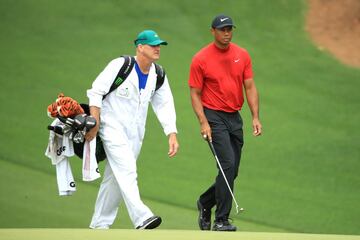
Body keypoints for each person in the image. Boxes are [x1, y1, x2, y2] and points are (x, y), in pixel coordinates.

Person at [85, 29, 179, 230]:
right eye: (153, 45)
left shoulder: (158, 74)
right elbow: (96, 91)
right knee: (127, 169)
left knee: (115, 178)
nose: (157, 48)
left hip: (136, 134)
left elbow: (164, 104)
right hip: (111, 126)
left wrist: (171, 133)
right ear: (140, 47)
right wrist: (95, 122)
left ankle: (99, 224)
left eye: (159, 45)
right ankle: (142, 217)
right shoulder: (121, 65)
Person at [188, 14, 262, 231]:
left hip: (234, 117)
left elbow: (249, 86)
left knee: (232, 170)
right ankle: (221, 220)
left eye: (229, 29)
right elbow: (195, 93)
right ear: (213, 31)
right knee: (227, 164)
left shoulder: (242, 55)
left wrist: (255, 116)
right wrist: (203, 122)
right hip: (213, 116)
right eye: (222, 29)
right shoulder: (201, 59)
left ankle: (205, 202)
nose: (227, 33)